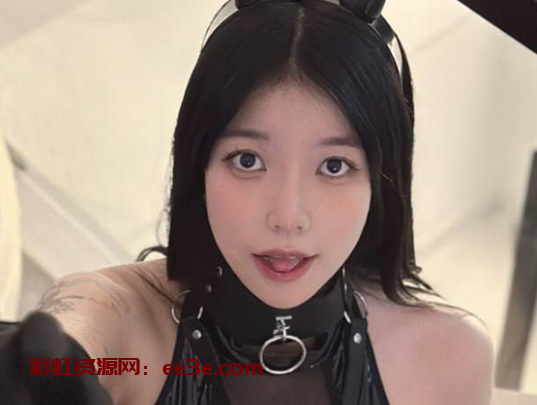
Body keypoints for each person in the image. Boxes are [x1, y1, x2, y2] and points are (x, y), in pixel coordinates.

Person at [0, 0, 495, 404]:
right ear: (198, 163)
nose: (287, 217)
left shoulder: (447, 359)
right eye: (247, 160)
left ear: (381, 183)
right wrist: (42, 367)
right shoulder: (128, 334)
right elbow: (77, 341)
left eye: (334, 166)